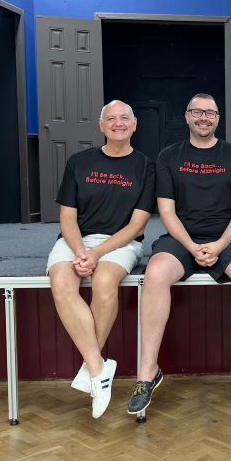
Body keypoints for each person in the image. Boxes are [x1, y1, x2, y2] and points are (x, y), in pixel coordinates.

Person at [127, 93, 231, 414]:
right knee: (156, 272)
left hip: (226, 237)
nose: (204, 117)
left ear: (218, 119)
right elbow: (166, 210)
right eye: (197, 112)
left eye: (210, 113)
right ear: (187, 116)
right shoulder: (169, 156)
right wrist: (192, 247)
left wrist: (219, 245)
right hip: (182, 237)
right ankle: (147, 373)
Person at [47, 100, 155, 418]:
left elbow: (137, 225)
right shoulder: (79, 162)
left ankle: (91, 368)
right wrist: (81, 250)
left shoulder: (145, 166)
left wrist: (96, 254)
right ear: (101, 125)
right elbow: (67, 217)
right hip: (76, 240)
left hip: (120, 242)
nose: (118, 123)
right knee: (61, 281)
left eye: (124, 118)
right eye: (111, 118)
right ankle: (97, 369)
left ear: (134, 125)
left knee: (105, 280)